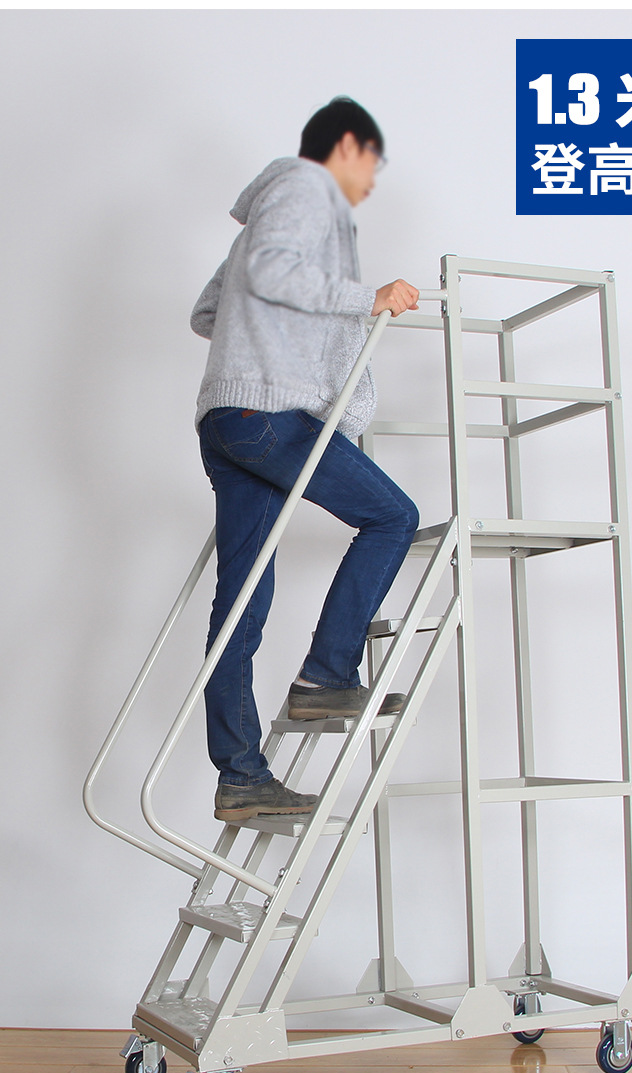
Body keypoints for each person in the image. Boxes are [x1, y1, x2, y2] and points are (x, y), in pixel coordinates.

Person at [191, 97, 421, 825]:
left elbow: (209, 312)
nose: (371, 183)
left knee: (242, 601)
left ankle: (241, 777)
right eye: (371, 164)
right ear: (346, 146)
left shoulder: (267, 209)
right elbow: (271, 271)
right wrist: (365, 298)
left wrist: (267, 345)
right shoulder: (303, 186)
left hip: (228, 418)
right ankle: (326, 675)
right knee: (393, 517)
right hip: (267, 416)